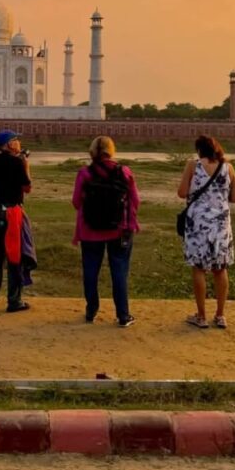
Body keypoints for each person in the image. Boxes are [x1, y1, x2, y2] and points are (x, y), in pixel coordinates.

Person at [72, 135, 140, 327]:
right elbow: (135, 201)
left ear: (92, 151)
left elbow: (76, 202)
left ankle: (91, 311)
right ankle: (123, 315)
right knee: (119, 271)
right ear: (112, 150)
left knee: (91, 271)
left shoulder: (84, 173)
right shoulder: (124, 172)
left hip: (90, 231)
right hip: (119, 230)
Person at [177, 134, 235, 329]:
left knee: (199, 268)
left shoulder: (193, 165)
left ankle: (202, 316)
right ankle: (220, 315)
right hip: (221, 225)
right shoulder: (227, 167)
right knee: (220, 269)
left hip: (198, 224)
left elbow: (181, 192)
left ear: (199, 150)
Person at [0, 129, 33, 313]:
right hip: (12, 213)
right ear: (9, 144)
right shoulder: (17, 163)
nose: (18, 143)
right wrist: (25, 165)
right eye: (16, 140)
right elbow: (27, 188)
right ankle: (14, 300)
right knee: (14, 256)